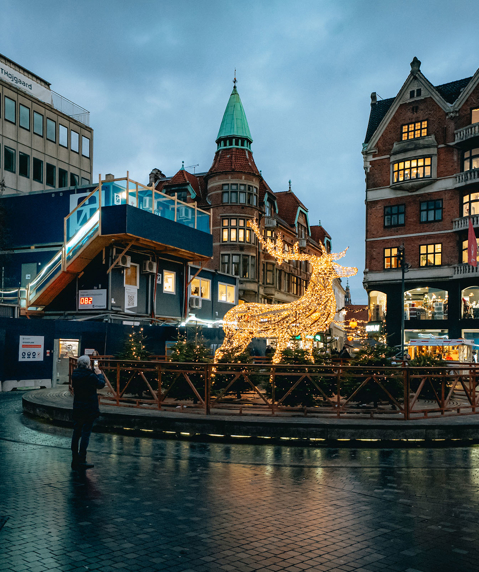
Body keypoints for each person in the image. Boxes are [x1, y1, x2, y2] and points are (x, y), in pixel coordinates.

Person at [70, 355, 105, 470]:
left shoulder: (75, 374)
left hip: (78, 407)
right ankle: (82, 459)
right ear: (88, 364)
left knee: (76, 432)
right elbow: (101, 384)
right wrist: (99, 373)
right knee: (86, 434)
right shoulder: (90, 376)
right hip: (89, 408)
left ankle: (74, 458)